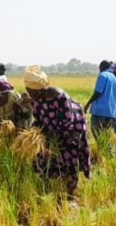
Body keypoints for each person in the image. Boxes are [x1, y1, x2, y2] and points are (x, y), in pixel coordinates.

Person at [24, 65, 90, 196]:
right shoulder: (36, 99)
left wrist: (53, 133)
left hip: (71, 130)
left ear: (40, 89)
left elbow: (67, 119)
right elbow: (38, 119)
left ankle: (71, 191)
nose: (30, 95)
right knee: (43, 157)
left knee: (68, 158)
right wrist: (33, 131)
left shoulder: (58, 95)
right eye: (28, 91)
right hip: (50, 130)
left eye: (32, 92)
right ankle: (48, 187)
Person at [84, 60, 116, 156]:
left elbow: (98, 92)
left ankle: (108, 152)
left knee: (96, 131)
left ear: (101, 67)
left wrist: (87, 104)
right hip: (111, 110)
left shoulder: (103, 75)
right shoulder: (114, 78)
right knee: (105, 133)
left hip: (100, 109)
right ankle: (105, 153)